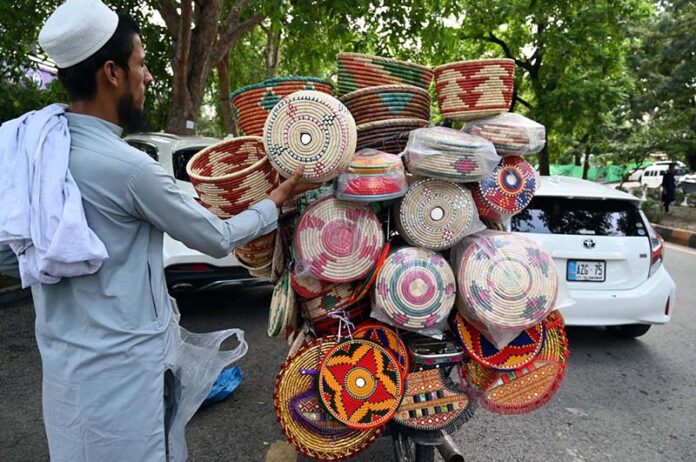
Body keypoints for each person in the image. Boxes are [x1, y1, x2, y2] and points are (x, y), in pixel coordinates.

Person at [0, 0, 319, 460]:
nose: (147, 76)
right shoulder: (129, 168)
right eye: (141, 64)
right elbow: (216, 237)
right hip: (126, 374)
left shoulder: (35, 151)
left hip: (65, 368)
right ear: (111, 73)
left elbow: (9, 255)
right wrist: (276, 199)